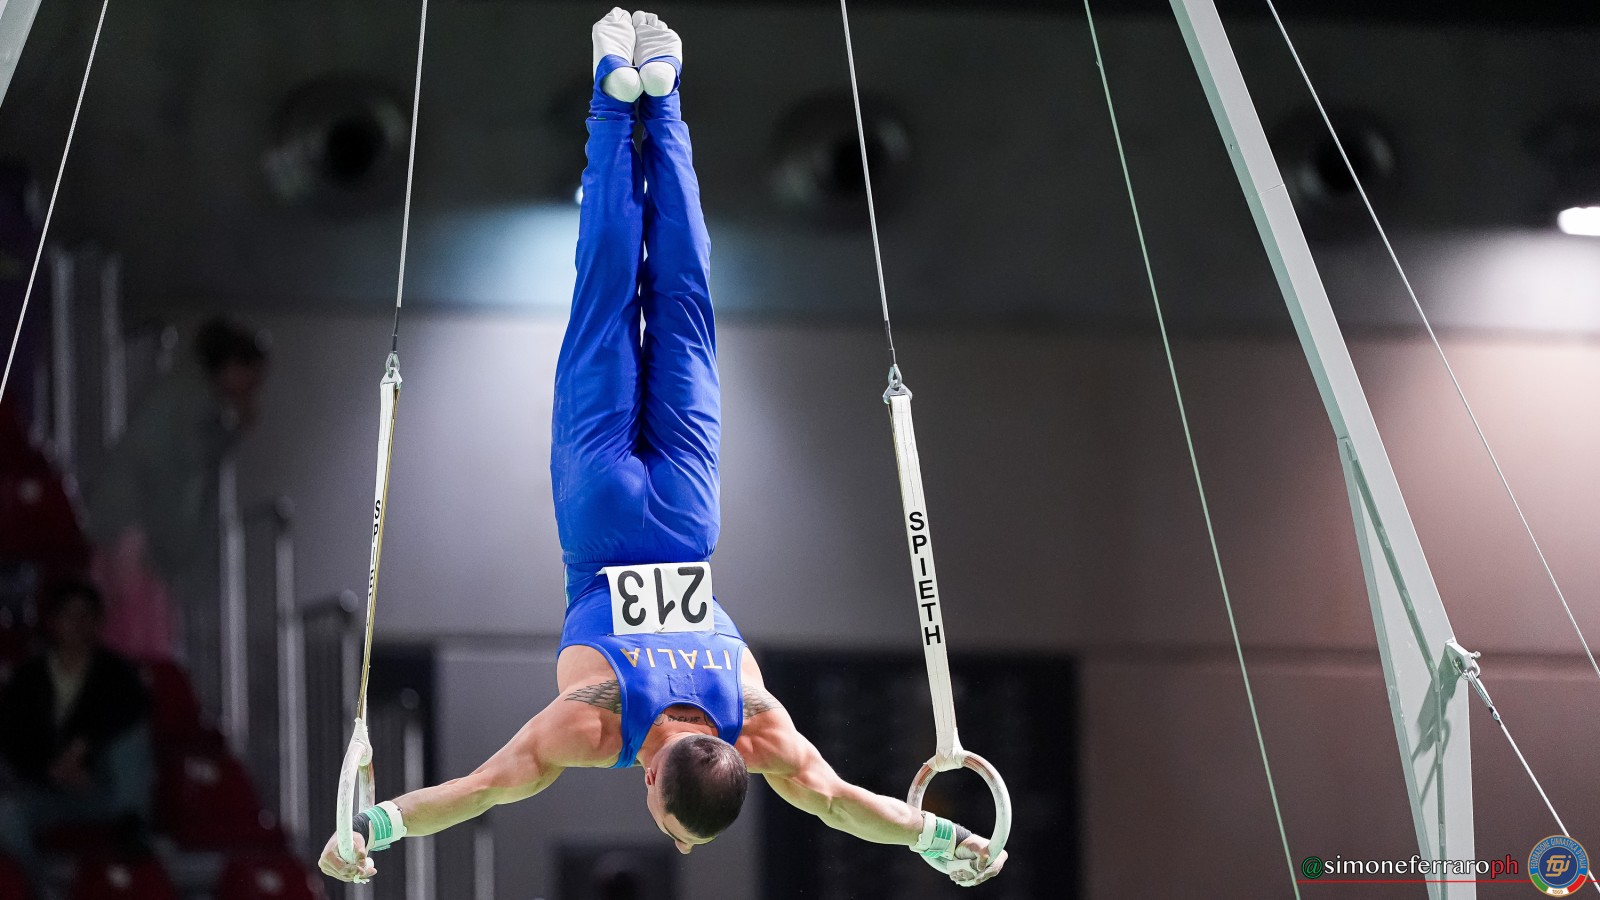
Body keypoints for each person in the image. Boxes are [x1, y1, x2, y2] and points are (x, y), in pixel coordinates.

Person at [317, 9, 1007, 889]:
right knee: (603, 301)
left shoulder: (756, 725)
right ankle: (613, 98)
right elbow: (483, 789)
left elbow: (837, 799)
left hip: (687, 512)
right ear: (650, 778)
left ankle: (664, 95)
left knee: (683, 307)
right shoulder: (595, 727)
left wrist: (944, 840)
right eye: (672, 826)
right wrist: (371, 828)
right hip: (599, 513)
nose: (670, 835)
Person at [85, 317, 268, 664]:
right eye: (251, 376)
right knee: (136, 634)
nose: (254, 387)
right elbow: (184, 472)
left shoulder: (188, 394)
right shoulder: (191, 400)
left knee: (131, 628)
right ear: (231, 365)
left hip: (132, 527)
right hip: (135, 531)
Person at [0, 581, 154, 893]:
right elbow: (14, 738)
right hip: (47, 787)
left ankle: (133, 827)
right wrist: (51, 769)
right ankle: (42, 891)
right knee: (6, 814)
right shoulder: (28, 676)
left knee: (132, 738)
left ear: (99, 622)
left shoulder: (117, 673)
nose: (78, 625)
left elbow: (132, 706)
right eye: (69, 616)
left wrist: (83, 746)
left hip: (102, 787)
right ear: (54, 622)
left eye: (86, 616)